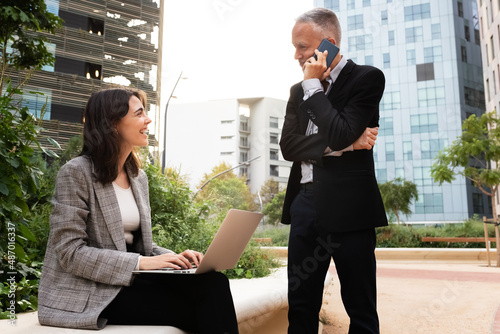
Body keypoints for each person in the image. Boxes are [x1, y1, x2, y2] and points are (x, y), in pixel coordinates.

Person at [38, 88, 239, 333]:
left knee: (214, 282)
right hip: (90, 292)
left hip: (129, 281)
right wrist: (143, 262)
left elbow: (141, 248)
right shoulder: (76, 173)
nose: (148, 120)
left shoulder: (137, 177)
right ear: (113, 124)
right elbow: (70, 253)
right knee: (200, 309)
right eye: (139, 113)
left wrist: (177, 259)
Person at [280, 8, 388, 334]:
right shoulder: (297, 91)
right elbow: (289, 148)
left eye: (302, 46)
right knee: (301, 305)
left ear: (328, 43)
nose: (296, 55)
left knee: (361, 307)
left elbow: (339, 131)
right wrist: (345, 145)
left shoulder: (367, 78)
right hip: (305, 206)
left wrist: (314, 87)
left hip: (350, 209)